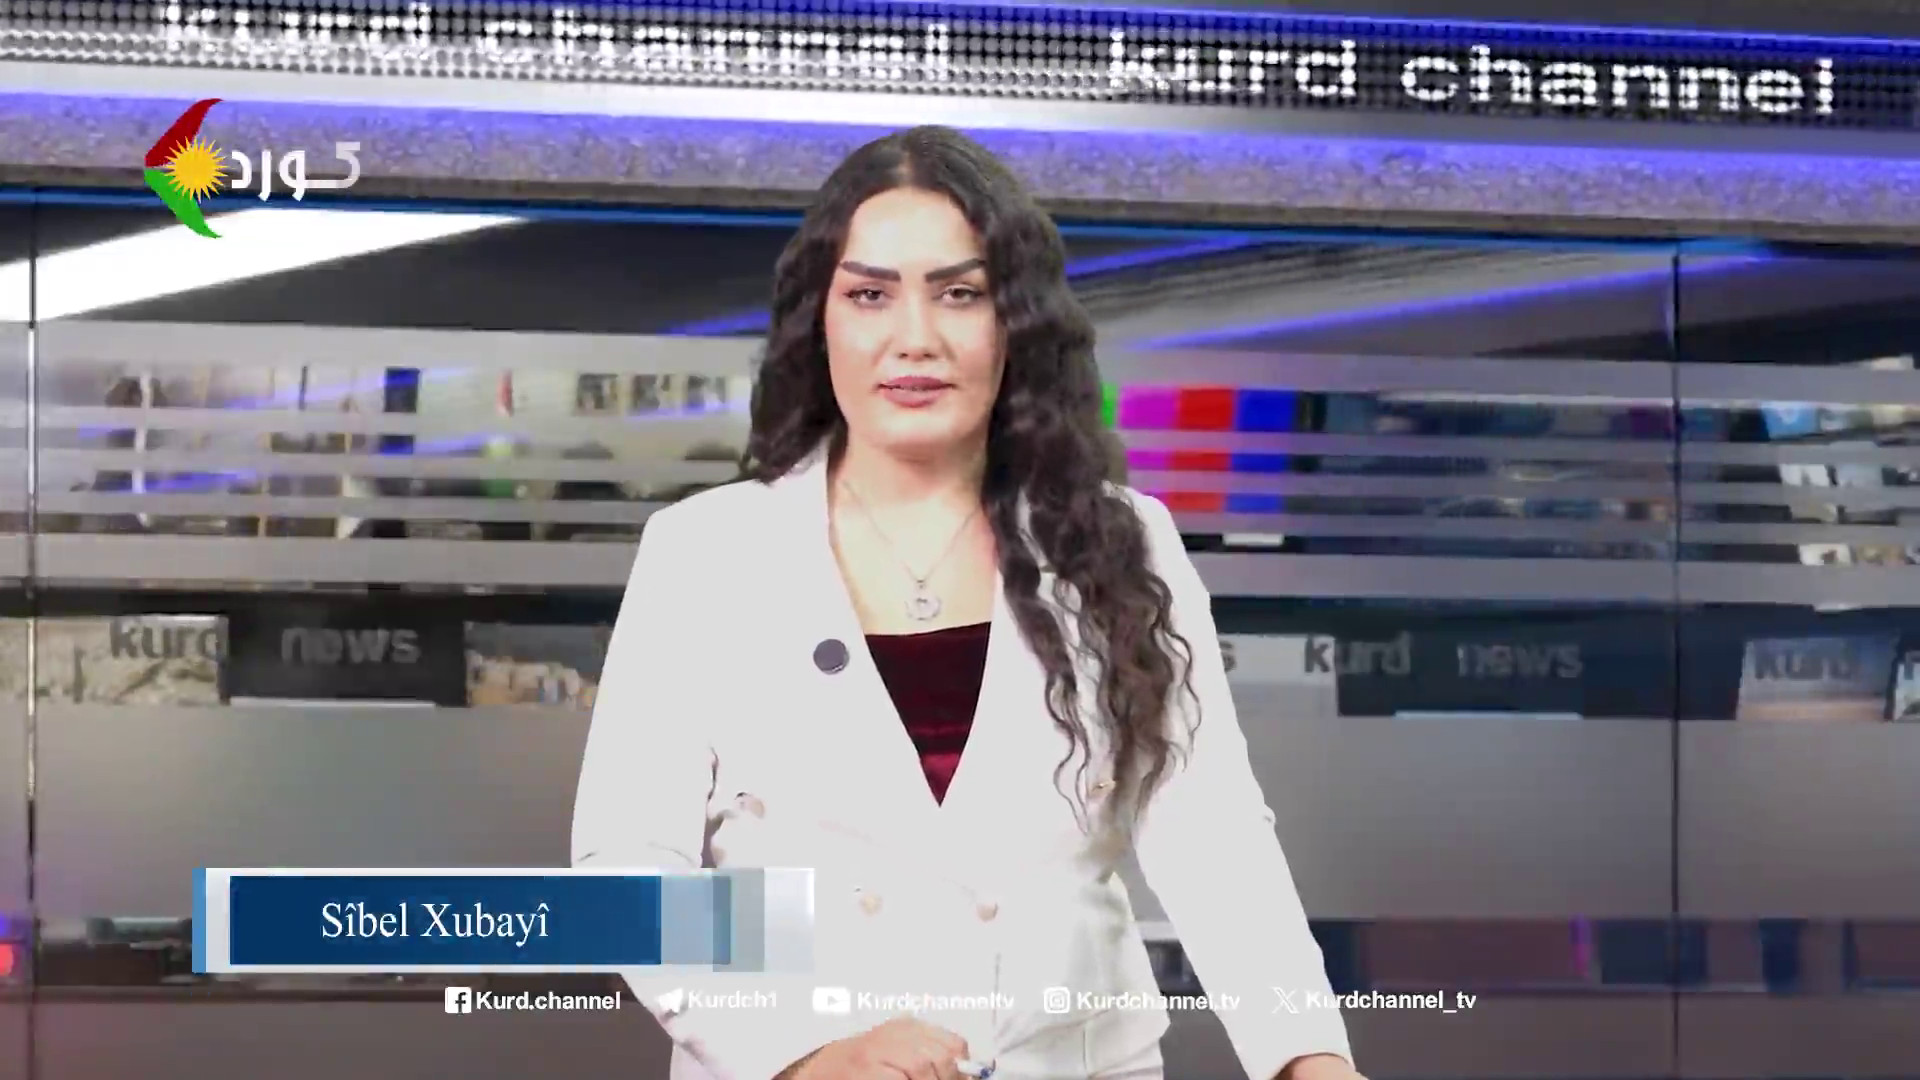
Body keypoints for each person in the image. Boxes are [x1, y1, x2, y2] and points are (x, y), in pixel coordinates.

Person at [572, 125, 1358, 1080]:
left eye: (960, 293)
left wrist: (1307, 1056)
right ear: (820, 322)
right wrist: (802, 1050)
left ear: (1014, 322)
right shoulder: (707, 552)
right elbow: (627, 867)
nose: (916, 338)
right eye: (870, 295)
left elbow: (1212, 837)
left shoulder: (1123, 540)